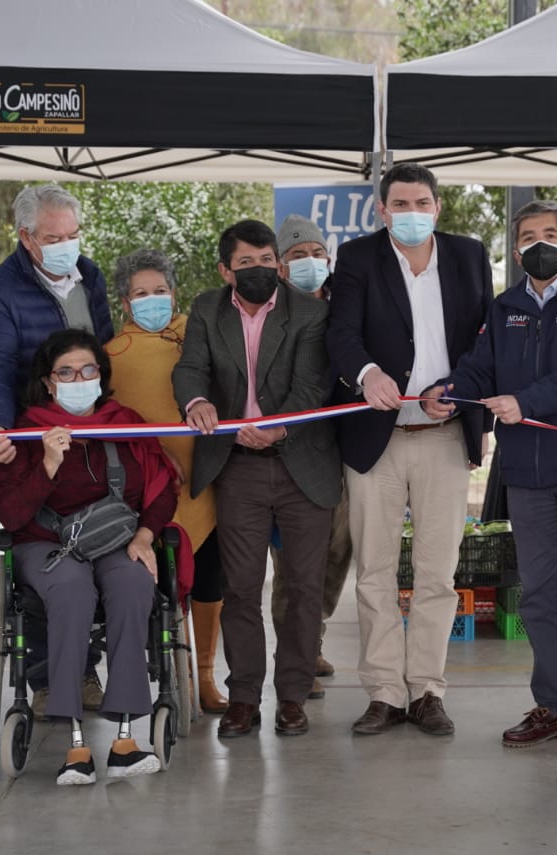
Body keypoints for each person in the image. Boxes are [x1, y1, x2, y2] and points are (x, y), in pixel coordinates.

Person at [422, 199, 557, 756]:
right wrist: (449, 391)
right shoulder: (506, 306)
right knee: (539, 596)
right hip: (527, 474)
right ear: (515, 250)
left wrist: (525, 401)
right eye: (527, 236)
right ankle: (554, 708)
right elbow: (480, 365)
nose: (537, 243)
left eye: (549, 233)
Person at [326, 162, 493, 737]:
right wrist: (367, 373)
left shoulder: (470, 256)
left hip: (445, 437)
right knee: (373, 570)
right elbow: (340, 333)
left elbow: (484, 339)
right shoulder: (357, 260)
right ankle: (384, 693)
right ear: (381, 210)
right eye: (400, 204)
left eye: (422, 203)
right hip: (377, 438)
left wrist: (464, 390)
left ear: (438, 207)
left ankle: (426, 691)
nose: (412, 214)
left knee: (436, 572)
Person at [172, 219, 341, 739]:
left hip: (301, 462)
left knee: (305, 588)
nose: (259, 271)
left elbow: (314, 383)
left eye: (267, 261)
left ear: (279, 263)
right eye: (246, 264)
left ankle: (293, 697)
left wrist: (276, 427)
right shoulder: (205, 309)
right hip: (237, 466)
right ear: (226, 270)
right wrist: (197, 402)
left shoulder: (311, 311)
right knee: (240, 588)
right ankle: (244, 696)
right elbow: (190, 369)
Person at [0, 329, 176, 785]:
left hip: (116, 540)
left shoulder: (126, 422)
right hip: (46, 544)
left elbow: (162, 489)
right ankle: (75, 741)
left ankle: (126, 739)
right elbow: (12, 515)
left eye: (88, 370)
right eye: (67, 372)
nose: (79, 379)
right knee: (72, 591)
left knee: (135, 584)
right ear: (49, 382)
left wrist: (145, 536)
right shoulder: (25, 432)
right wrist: (48, 466)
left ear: (101, 375)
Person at [0, 183, 112, 716]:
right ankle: (48, 678)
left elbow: (103, 351)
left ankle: (86, 669)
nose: (66, 245)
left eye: (73, 235)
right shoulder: (1, 290)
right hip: (32, 436)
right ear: (27, 238)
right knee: (43, 551)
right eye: (54, 237)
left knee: (94, 545)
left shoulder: (91, 276)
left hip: (91, 435)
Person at [104, 249, 229, 715]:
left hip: (209, 479)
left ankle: (206, 678)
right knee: (163, 582)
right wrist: (153, 460)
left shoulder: (200, 337)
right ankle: (170, 674)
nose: (152, 299)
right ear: (124, 303)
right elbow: (112, 423)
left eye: (160, 291)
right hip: (151, 491)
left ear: (175, 294)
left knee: (211, 580)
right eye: (141, 293)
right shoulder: (111, 357)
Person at [269, 214, 353, 699]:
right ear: (281, 267)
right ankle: (295, 654)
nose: (308, 263)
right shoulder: (272, 313)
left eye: (315, 254)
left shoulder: (346, 306)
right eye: (297, 256)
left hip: (343, 449)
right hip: (289, 452)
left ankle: (313, 634)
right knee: (292, 561)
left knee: (338, 550)